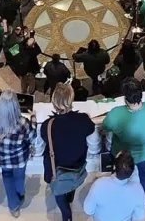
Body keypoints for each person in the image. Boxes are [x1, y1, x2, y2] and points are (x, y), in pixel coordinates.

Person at [101, 77, 145, 203]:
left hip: (121, 156)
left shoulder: (115, 114)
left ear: (125, 97)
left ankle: (124, 200)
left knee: (121, 179)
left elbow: (104, 128)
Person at [40, 83, 95, 221]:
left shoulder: (48, 125)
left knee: (59, 193)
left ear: (54, 102)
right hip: (77, 164)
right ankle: (70, 196)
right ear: (71, 99)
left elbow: (44, 140)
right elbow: (91, 128)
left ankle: (67, 216)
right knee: (72, 182)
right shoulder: (83, 119)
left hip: (57, 169)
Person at [0, 90, 37, 216]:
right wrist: (33, 119)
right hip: (19, 157)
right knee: (20, 176)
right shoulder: (23, 123)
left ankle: (14, 206)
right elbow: (33, 137)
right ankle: (20, 197)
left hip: (1, 156)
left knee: (7, 176)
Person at [83, 150, 145, 221]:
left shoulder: (99, 184)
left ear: (114, 167)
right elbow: (140, 216)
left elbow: (88, 210)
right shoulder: (138, 190)